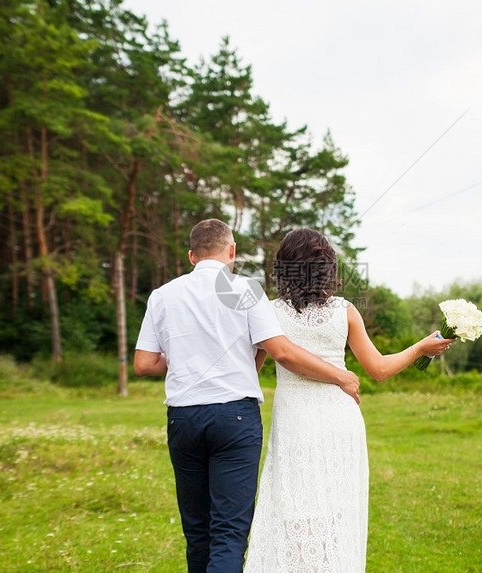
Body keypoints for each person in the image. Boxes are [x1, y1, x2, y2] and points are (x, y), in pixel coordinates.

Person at [134, 219, 360, 573]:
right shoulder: (246, 290)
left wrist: (183, 358)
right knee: (229, 532)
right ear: (232, 251)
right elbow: (280, 352)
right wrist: (341, 377)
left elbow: (144, 363)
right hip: (234, 419)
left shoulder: (163, 295)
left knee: (197, 532)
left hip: (183, 419)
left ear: (192, 256)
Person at [243, 228, 453, 572]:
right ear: (328, 269)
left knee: (293, 502)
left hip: (295, 418)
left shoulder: (268, 312)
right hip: (339, 417)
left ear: (283, 268)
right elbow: (380, 369)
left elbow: (249, 371)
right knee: (335, 506)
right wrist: (419, 348)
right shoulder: (346, 310)